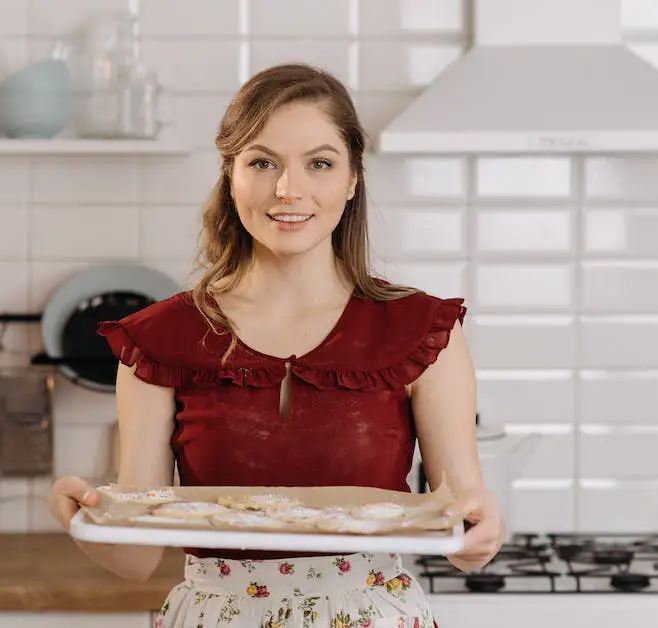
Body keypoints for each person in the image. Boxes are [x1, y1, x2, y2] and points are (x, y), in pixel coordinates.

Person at [49, 62, 504, 627]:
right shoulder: (158, 341)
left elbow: (461, 520)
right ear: (230, 175)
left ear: (353, 178)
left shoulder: (423, 332)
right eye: (262, 163)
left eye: (319, 163)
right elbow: (139, 556)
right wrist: (84, 519)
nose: (290, 190)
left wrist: (478, 534)